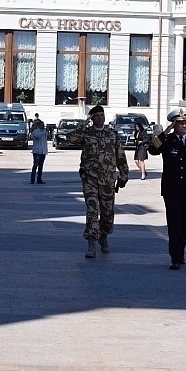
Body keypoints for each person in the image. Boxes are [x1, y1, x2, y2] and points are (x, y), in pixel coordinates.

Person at [148, 108, 186, 270]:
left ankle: (180, 251)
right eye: (180, 123)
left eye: (185, 123)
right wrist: (166, 131)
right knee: (174, 223)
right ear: (174, 124)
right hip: (172, 189)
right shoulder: (167, 140)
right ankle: (176, 257)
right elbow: (152, 150)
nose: (183, 126)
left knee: (185, 223)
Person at [67, 105, 130, 258]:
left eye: (102, 115)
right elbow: (70, 139)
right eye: (96, 116)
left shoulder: (112, 134)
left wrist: (124, 175)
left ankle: (104, 236)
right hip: (90, 178)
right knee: (92, 210)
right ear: (92, 118)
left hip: (108, 179)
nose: (100, 118)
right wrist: (83, 124)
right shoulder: (86, 133)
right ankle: (91, 242)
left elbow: (120, 155)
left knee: (107, 212)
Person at [30, 119, 49, 184]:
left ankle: (39, 179)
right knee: (35, 166)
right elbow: (37, 136)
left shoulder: (44, 132)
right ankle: (32, 179)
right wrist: (44, 132)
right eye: (41, 125)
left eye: (43, 125)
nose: (43, 126)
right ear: (39, 126)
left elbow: (48, 138)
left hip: (43, 152)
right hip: (37, 151)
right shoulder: (36, 131)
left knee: (41, 166)